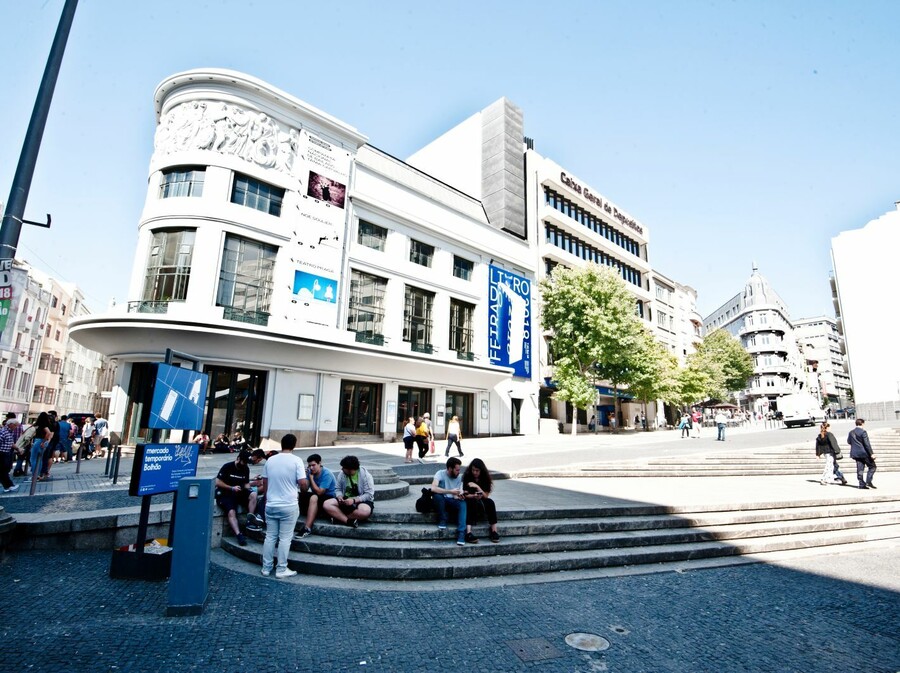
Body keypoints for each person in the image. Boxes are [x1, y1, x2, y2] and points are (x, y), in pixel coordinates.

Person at [258, 433, 305, 578]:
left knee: (270, 536)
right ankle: (281, 569)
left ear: (281, 444)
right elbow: (302, 483)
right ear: (294, 445)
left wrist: (266, 498)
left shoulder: (270, 460)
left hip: (271, 503)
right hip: (288, 504)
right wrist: (304, 488)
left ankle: (266, 568)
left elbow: (265, 483)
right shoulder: (297, 460)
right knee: (285, 538)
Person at [214, 449, 259, 546]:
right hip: (226, 492)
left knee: (253, 494)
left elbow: (246, 484)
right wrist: (231, 488)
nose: (245, 464)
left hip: (239, 491)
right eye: (244, 462)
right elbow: (217, 482)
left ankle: (250, 519)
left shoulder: (246, 468)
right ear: (238, 458)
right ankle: (238, 534)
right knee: (231, 511)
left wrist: (252, 488)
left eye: (247, 462)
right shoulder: (227, 466)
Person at [323, 455, 375, 528]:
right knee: (327, 504)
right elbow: (338, 489)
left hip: (361, 500)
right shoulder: (342, 474)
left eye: (343, 467)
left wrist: (354, 500)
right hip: (345, 499)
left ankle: (338, 517)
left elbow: (369, 494)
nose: (342, 469)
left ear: (350, 469)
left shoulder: (366, 476)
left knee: (364, 512)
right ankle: (348, 521)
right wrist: (339, 496)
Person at [296, 453, 336, 538]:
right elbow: (304, 490)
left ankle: (307, 528)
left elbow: (320, 492)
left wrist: (311, 478)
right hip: (317, 497)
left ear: (319, 463)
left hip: (328, 498)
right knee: (296, 495)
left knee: (314, 497)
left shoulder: (326, 474)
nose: (311, 468)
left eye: (313, 465)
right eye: (309, 466)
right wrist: (303, 478)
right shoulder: (310, 472)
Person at [430, 456, 468, 546]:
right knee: (437, 496)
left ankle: (461, 533)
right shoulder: (440, 473)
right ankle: (442, 519)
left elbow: (457, 493)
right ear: (450, 468)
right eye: (457, 470)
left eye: (459, 470)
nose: (459, 472)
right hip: (442, 500)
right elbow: (433, 488)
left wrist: (460, 495)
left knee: (463, 504)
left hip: (452, 500)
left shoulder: (459, 478)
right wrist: (449, 491)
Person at [462, 457, 500, 544]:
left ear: (481, 471)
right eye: (473, 470)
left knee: (490, 502)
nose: (475, 472)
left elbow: (486, 495)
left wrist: (477, 487)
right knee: (470, 503)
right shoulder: (467, 476)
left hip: (482, 499)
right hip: (471, 499)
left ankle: (494, 530)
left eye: (477, 471)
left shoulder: (485, 478)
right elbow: (465, 494)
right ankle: (468, 532)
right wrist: (473, 496)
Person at [848, 418, 876, 490]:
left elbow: (849, 441)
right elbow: (867, 444)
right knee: (872, 466)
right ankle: (868, 481)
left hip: (855, 454)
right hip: (864, 453)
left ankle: (861, 484)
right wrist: (871, 453)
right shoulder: (863, 432)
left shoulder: (851, 432)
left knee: (860, 468)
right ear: (862, 423)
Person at [30, 412, 54, 482]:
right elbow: (50, 434)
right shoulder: (48, 424)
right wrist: (46, 441)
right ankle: (37, 474)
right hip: (42, 442)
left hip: (39, 441)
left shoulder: (41, 424)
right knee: (39, 459)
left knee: (33, 458)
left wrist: (43, 441)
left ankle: (35, 475)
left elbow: (48, 433)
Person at [0, 416, 21, 492]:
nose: (16, 427)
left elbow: (11, 443)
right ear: (11, 424)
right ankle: (9, 485)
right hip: (2, 453)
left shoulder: (9, 432)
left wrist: (18, 449)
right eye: (15, 425)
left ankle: (8, 486)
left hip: (6, 452)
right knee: (3, 470)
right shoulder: (3, 432)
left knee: (4, 470)